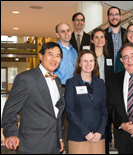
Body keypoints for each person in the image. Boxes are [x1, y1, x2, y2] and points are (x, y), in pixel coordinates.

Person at [2, 42, 65, 154]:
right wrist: (11, 133)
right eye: (50, 54)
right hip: (33, 144)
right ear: (41, 56)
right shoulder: (26, 79)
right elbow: (10, 110)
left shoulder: (57, 80)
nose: (54, 59)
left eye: (58, 56)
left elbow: (57, 113)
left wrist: (59, 138)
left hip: (53, 145)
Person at [65, 49, 108, 154]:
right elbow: (70, 111)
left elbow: (104, 110)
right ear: (79, 63)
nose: (88, 64)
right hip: (78, 136)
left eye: (91, 61)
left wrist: (100, 132)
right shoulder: (71, 83)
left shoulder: (100, 83)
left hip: (98, 137)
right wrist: (86, 133)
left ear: (95, 63)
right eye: (85, 61)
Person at [54, 22, 78, 154]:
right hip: (58, 88)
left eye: (68, 30)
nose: (66, 33)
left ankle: (67, 151)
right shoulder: (54, 50)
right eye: (62, 31)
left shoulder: (74, 51)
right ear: (57, 34)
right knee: (57, 121)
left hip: (72, 89)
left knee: (70, 122)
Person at [90, 28, 115, 154]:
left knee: (105, 127)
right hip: (92, 98)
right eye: (97, 37)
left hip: (106, 97)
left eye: (102, 37)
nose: (100, 40)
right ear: (92, 40)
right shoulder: (89, 58)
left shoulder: (109, 57)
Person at [104, 6, 126, 71]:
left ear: (120, 17)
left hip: (124, 72)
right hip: (108, 73)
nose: (114, 17)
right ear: (108, 18)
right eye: (111, 15)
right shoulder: (103, 34)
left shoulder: (127, 34)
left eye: (116, 14)